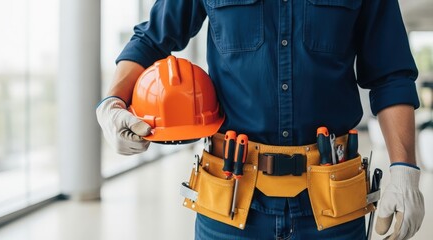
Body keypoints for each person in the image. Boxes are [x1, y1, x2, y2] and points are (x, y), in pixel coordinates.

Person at [96, 0, 425, 239]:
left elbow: (390, 74)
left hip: (333, 200)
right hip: (231, 198)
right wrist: (113, 101)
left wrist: (404, 169)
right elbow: (151, 38)